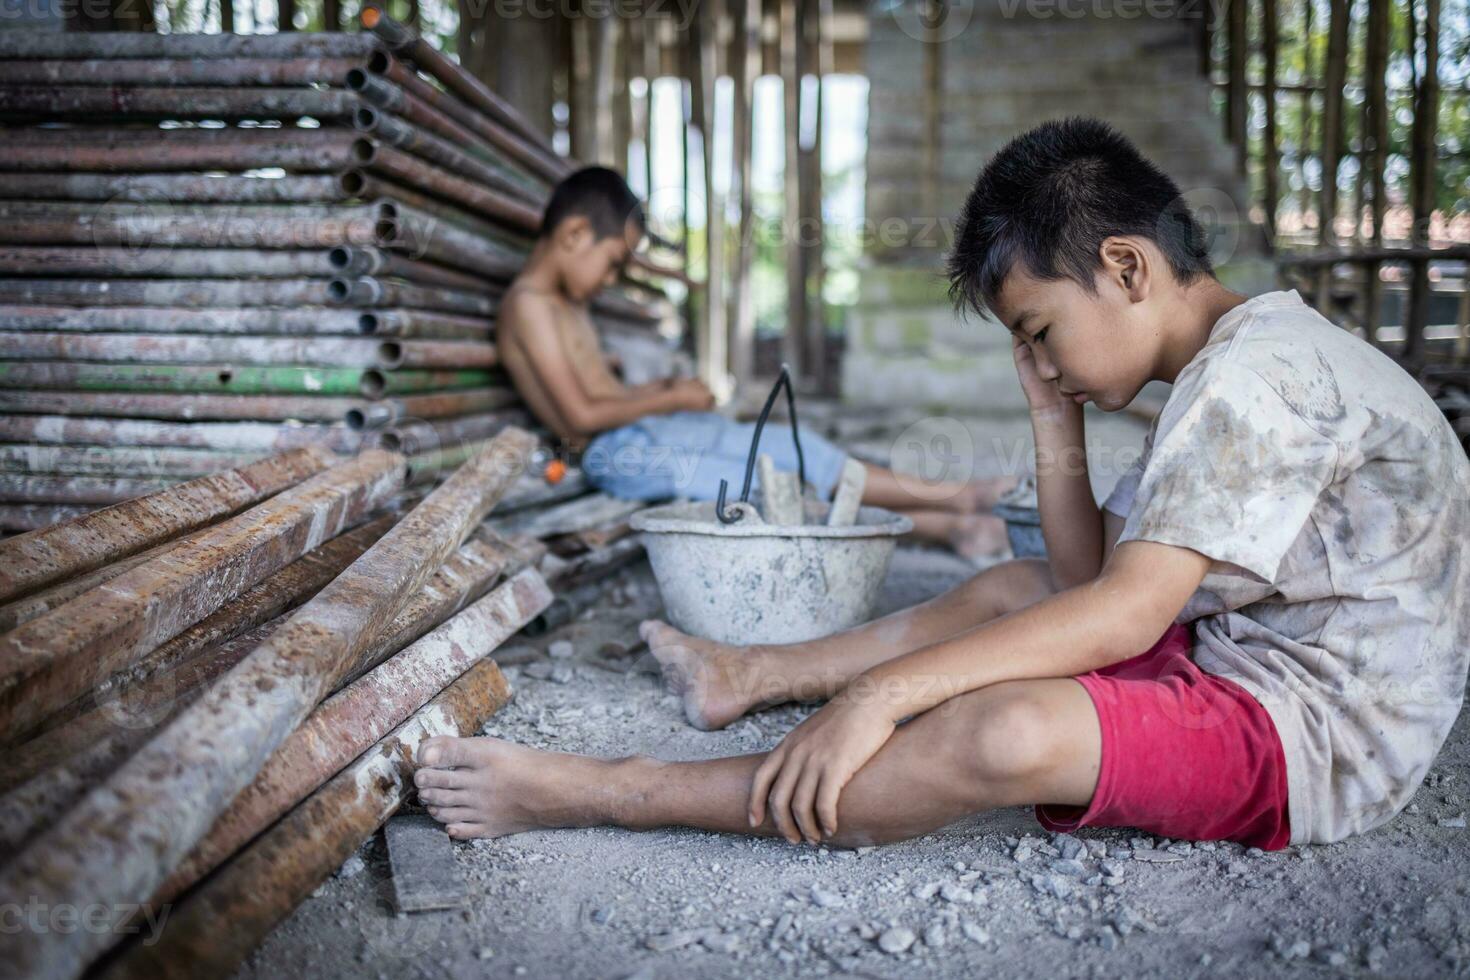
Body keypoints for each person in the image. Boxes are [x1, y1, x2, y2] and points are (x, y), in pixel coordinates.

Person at [413, 119, 1470, 852]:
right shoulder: (1227, 364)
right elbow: (1077, 575)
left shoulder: (1255, 377)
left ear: (1129, 267)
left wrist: (886, 694)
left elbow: (1123, 607)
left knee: (1004, 730)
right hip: (1249, 657)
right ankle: (752, 672)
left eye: (1042, 332)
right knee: (1018, 590)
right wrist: (1052, 408)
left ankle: (604, 791)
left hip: (1314, 734)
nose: (1042, 360)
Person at [494, 165, 1015, 558]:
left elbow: (603, 394)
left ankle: (960, 497)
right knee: (764, 489)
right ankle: (945, 526)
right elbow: (580, 417)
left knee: (791, 448)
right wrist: (672, 398)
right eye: (612, 264)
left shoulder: (566, 304)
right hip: (618, 455)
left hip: (650, 428)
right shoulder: (530, 306)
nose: (611, 280)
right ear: (574, 235)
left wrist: (659, 396)